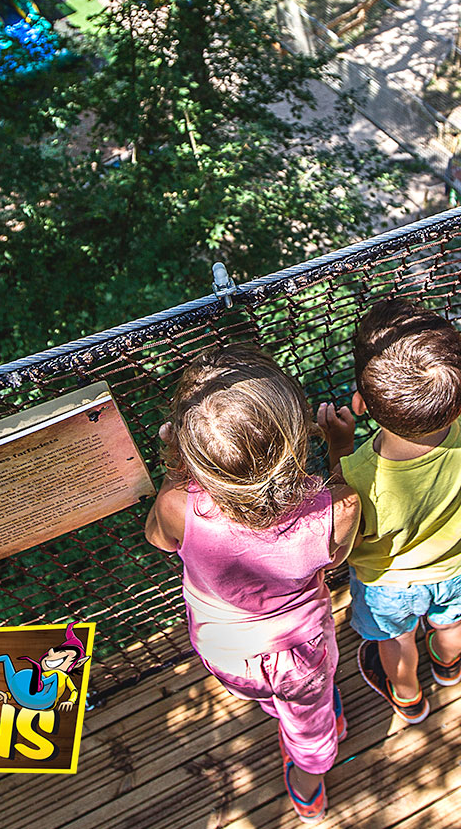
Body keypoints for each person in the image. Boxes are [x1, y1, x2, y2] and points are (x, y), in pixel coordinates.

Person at [144, 345, 360, 823]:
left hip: (224, 651)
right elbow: (338, 552)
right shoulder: (335, 510)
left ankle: (276, 705)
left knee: (269, 695)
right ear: (296, 436)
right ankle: (310, 785)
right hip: (302, 655)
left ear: (190, 453)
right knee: (311, 723)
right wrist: (341, 449)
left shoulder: (178, 506)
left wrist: (175, 471)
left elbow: (158, 539)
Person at [317, 298, 461, 724]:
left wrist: (339, 447)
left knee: (397, 640)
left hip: (388, 584)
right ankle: (447, 663)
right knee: (454, 624)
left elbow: (346, 530)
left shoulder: (358, 472)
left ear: (361, 403)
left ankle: (409, 697)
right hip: (458, 565)